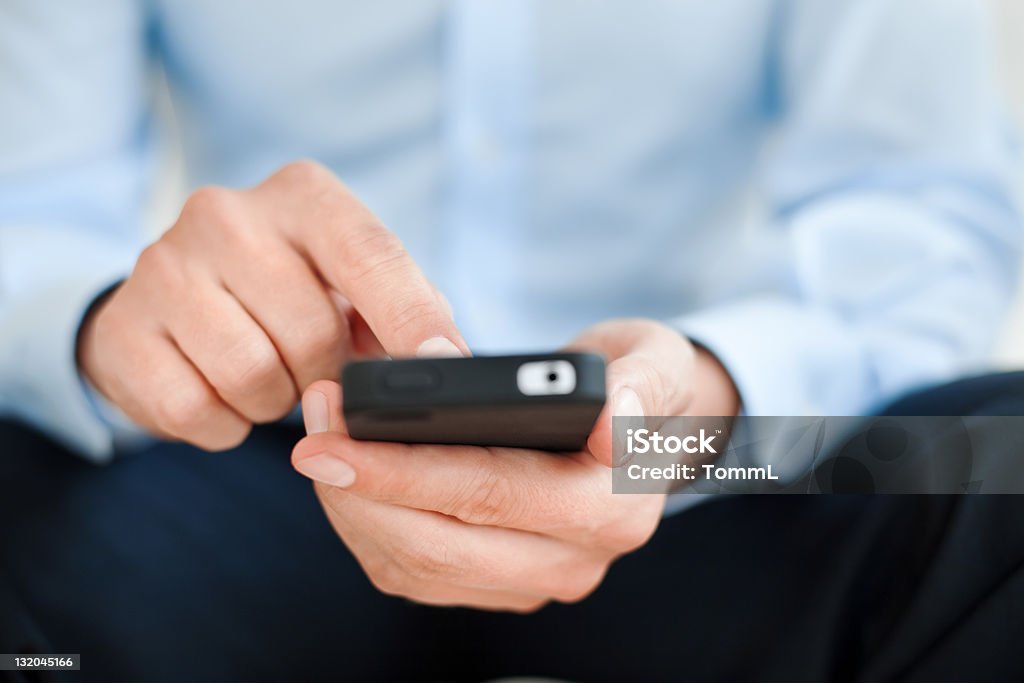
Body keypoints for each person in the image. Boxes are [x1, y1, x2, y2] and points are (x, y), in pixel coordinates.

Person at [1, 1, 1022, 680]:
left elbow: (918, 208)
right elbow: (29, 204)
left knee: (1002, 470)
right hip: (268, 456)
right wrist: (109, 325)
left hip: (696, 457)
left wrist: (706, 400)